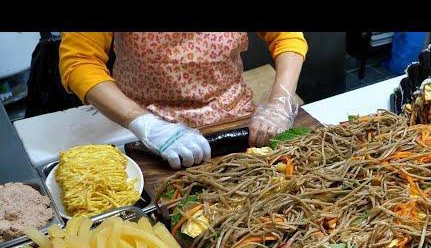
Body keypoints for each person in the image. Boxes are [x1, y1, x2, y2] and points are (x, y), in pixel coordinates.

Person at [59, 32, 308, 169]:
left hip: (234, 120)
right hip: (144, 132)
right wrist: (144, 123)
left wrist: (279, 103)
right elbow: (80, 62)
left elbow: (287, 38)